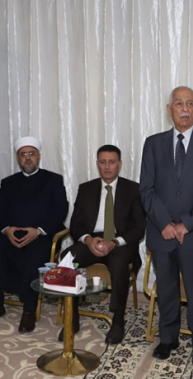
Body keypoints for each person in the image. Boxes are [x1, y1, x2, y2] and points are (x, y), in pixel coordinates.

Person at [139, 86, 193, 368]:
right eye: (178, 103)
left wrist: (186, 224)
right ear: (169, 109)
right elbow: (146, 189)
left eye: (189, 103)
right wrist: (164, 223)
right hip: (161, 232)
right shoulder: (153, 143)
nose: (184, 108)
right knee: (166, 290)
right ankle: (168, 339)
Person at [0, 136, 68, 333]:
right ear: (18, 158)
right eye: (23, 154)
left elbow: (60, 211)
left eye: (31, 154)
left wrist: (38, 231)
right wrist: (6, 229)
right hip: (10, 235)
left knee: (35, 257)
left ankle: (29, 310)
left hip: (40, 236)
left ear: (39, 156)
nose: (28, 158)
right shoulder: (8, 182)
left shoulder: (53, 180)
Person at [60, 144, 145, 344]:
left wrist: (114, 242)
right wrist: (88, 240)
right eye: (103, 162)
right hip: (93, 239)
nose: (107, 167)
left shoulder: (133, 189)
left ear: (119, 164)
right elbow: (76, 225)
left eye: (112, 162)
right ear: (97, 164)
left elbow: (139, 228)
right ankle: (72, 316)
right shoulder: (86, 188)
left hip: (120, 241)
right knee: (67, 257)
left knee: (118, 263)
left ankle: (118, 320)